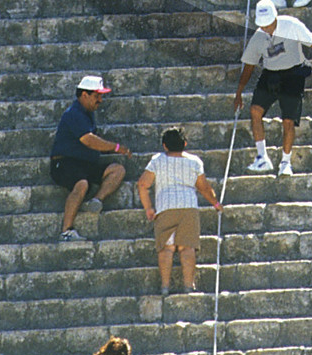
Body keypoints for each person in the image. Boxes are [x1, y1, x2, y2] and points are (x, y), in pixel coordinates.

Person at [232, 0, 312, 178]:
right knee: (255, 110)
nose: (266, 28)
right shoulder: (258, 36)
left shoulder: (292, 25)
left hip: (293, 74)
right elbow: (249, 66)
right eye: (263, 25)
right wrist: (238, 93)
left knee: (288, 121)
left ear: (275, 18)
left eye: (268, 24)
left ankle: (285, 162)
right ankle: (262, 158)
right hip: (270, 74)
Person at [136, 125, 221, 293]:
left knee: (166, 247)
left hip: (165, 206)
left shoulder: (157, 160)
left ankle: (165, 286)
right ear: (185, 144)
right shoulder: (194, 162)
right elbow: (204, 187)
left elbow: (143, 184)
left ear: (165, 145)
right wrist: (216, 203)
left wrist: (148, 208)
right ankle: (189, 285)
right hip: (188, 206)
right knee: (187, 247)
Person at [50, 75, 128, 242]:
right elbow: (88, 140)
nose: (100, 100)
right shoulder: (74, 114)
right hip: (64, 163)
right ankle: (66, 231)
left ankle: (95, 201)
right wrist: (115, 147)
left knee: (117, 170)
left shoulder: (88, 113)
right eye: (97, 96)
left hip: (85, 164)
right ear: (84, 95)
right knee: (81, 184)